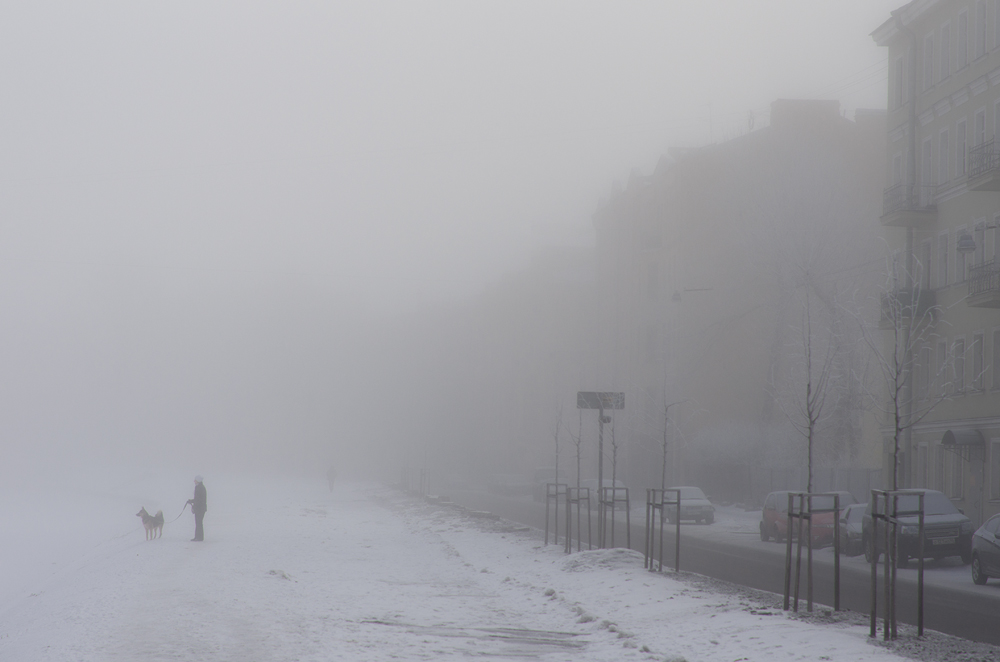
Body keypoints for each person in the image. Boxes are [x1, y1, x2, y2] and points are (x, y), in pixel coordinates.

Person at [186, 476, 207, 541]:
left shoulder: (199, 488)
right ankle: (198, 537)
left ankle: (199, 537)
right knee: (198, 523)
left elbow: (198, 499)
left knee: (198, 523)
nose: (194, 481)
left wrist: (192, 501)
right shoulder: (200, 487)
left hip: (200, 509)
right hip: (200, 508)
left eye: (195, 480)